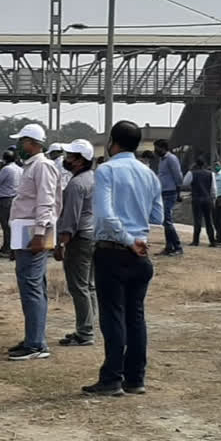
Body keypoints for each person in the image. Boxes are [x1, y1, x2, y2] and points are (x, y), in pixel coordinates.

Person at [82, 121, 163, 396]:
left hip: (113, 250)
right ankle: (135, 378)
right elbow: (158, 217)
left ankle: (111, 378)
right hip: (140, 255)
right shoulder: (149, 173)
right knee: (135, 318)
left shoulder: (106, 170)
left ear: (112, 142)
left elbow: (105, 215)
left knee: (113, 317)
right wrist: (137, 235)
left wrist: (128, 240)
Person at [7, 123, 60, 361]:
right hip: (25, 231)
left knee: (32, 287)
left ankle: (36, 343)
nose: (19, 146)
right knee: (32, 286)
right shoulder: (32, 166)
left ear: (32, 142)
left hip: (34, 231)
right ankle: (34, 337)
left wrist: (40, 234)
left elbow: (46, 202)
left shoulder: (43, 166)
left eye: (22, 141)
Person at [54, 139, 97, 347]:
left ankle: (85, 332)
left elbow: (71, 218)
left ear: (80, 161)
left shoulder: (76, 184)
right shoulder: (93, 179)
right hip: (93, 235)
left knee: (78, 286)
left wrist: (62, 243)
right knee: (89, 286)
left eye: (71, 156)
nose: (67, 159)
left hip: (79, 238)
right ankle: (89, 326)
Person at [154, 139, 184, 256]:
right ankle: (169, 247)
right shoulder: (162, 160)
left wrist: (178, 193)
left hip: (170, 192)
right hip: (163, 192)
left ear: (163, 148)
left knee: (167, 220)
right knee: (165, 221)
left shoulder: (171, 159)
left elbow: (178, 176)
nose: (155, 151)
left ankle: (177, 247)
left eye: (157, 148)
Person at [182, 158, 217, 247]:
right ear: (204, 164)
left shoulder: (192, 173)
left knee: (197, 220)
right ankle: (212, 241)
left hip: (197, 199)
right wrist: (213, 198)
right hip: (207, 199)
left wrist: (190, 170)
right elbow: (213, 189)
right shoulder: (211, 174)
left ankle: (196, 241)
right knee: (209, 221)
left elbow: (185, 183)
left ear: (195, 164)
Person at [0, 150, 23, 257]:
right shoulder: (20, 169)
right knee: (14, 224)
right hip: (16, 198)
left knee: (6, 224)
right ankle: (10, 247)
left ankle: (8, 248)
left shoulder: (6, 169)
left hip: (6, 199)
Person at [215, 162, 221, 243]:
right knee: (216, 219)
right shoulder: (215, 175)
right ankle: (219, 237)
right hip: (215, 198)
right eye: (215, 165)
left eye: (217, 165)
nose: (216, 166)